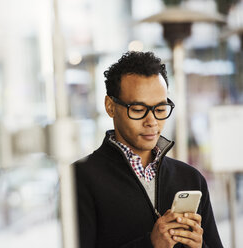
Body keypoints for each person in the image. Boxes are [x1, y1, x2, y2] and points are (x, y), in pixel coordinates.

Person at [73, 51, 223, 248]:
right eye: (138, 110)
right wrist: (150, 244)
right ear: (110, 106)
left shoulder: (190, 179)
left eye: (160, 109)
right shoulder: (80, 178)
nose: (152, 121)